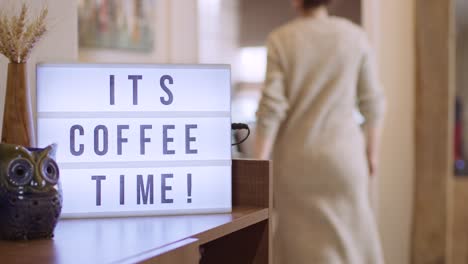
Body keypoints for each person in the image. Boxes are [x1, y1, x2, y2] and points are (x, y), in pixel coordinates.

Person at [254, 0, 386, 263]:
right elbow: (374, 102)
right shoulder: (354, 36)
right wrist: (372, 154)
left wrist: (258, 166)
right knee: (352, 245)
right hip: (345, 162)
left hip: (297, 165)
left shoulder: (281, 39)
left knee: (300, 251)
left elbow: (271, 109)